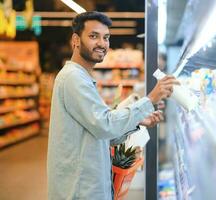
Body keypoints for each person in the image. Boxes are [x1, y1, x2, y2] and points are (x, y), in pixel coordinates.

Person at [47, 11, 178, 200]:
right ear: (75, 40)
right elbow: (105, 124)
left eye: (106, 37)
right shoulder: (73, 78)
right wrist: (150, 99)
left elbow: (102, 134)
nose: (102, 43)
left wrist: (138, 122)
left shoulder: (81, 78)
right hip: (79, 191)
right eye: (93, 36)